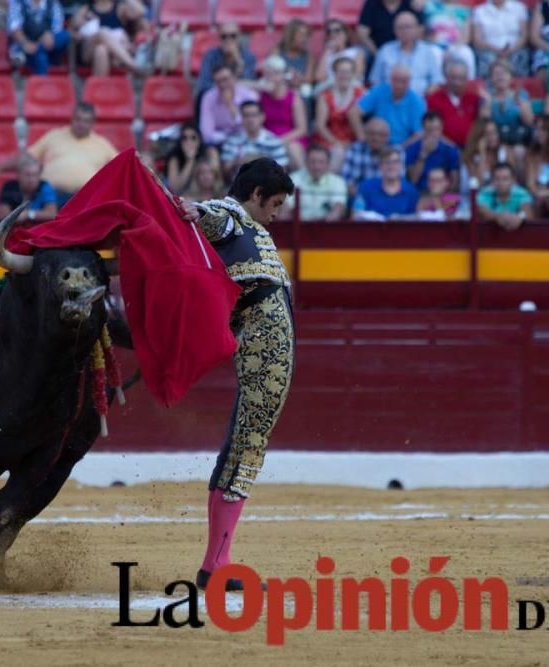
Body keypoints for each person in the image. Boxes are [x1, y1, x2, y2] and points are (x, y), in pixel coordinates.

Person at [175, 158, 296, 592]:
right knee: (245, 449)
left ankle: (216, 562)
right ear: (257, 195)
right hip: (262, 350)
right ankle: (216, 565)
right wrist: (196, 212)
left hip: (267, 349)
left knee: (243, 446)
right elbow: (213, 217)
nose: (277, 212)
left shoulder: (251, 226)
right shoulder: (233, 215)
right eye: (275, 203)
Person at [0, 103, 118, 205]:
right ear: (72, 119)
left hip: (87, 198)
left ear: (92, 123)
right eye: (78, 119)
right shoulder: (54, 136)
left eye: (86, 121)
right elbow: (27, 157)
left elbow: (120, 166)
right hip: (52, 197)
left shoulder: (102, 143)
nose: (81, 124)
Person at [369, 11, 444, 96]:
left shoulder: (428, 52)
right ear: (394, 30)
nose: (405, 31)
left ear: (417, 29)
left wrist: (425, 98)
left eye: (408, 27)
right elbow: (374, 81)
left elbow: (437, 81)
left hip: (420, 103)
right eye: (400, 27)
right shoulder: (385, 51)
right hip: (389, 102)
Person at [351, 64, 427, 147]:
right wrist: (362, 137)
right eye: (395, 80)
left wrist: (399, 149)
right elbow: (353, 112)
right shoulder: (380, 91)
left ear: (409, 82)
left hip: (400, 146)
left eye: (403, 81)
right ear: (390, 79)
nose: (399, 85)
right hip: (374, 143)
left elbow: (419, 134)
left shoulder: (417, 102)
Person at [313, 56, 365, 174]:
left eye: (348, 72)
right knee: (338, 152)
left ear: (353, 74)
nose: (344, 75)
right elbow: (320, 126)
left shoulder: (361, 94)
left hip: (353, 140)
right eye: (341, 71)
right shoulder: (325, 95)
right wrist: (336, 142)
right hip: (329, 138)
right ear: (334, 73)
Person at [69, 0, 147, 76]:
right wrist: (80, 31)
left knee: (101, 50)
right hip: (88, 51)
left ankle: (99, 88)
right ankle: (134, 66)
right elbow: (70, 31)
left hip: (113, 55)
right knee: (102, 32)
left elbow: (140, 11)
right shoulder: (86, 9)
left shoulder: (119, 9)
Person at [259, 56, 309, 171]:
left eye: (274, 74)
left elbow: (302, 129)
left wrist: (280, 140)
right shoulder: (261, 95)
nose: (271, 78)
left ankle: (302, 180)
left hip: (291, 137)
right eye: (268, 75)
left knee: (292, 148)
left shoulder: (294, 97)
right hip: (267, 138)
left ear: (282, 75)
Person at [425, 59, 485, 147]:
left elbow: (482, 123)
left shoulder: (474, 97)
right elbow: (429, 127)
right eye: (453, 77)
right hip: (443, 149)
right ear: (446, 77)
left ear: (467, 79)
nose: (457, 83)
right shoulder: (434, 98)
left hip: (471, 149)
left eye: (461, 78)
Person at [220, 101, 290, 177]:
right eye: (246, 115)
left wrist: (260, 162)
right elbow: (224, 172)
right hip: (238, 186)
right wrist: (238, 162)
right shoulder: (232, 141)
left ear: (262, 117)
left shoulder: (274, 142)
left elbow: (283, 172)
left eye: (254, 115)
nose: (250, 119)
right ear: (241, 118)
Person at [199, 64, 260, 146]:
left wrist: (230, 105)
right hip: (220, 143)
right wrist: (229, 139)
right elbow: (206, 133)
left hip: (246, 141)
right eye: (218, 81)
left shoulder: (249, 96)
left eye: (225, 79)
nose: (223, 85)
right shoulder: (208, 98)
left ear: (234, 78)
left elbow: (252, 126)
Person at [485, 60, 534, 157]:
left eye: (504, 73)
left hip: (518, 140)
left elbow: (529, 121)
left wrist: (520, 102)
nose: (500, 76)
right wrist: (488, 102)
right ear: (491, 78)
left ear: (511, 77)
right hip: (494, 142)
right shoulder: (487, 98)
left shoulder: (521, 95)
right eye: (496, 73)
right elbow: (483, 122)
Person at [412, 0, 476, 75]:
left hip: (456, 46)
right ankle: (438, 83)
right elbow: (416, 4)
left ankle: (470, 82)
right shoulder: (429, 7)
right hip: (433, 44)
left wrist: (452, 49)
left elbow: (466, 38)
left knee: (466, 53)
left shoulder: (464, 10)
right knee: (435, 53)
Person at [6, 0, 69, 74]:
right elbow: (14, 27)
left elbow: (57, 28)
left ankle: (37, 48)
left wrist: (50, 35)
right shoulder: (18, 2)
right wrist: (25, 43)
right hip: (26, 44)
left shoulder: (53, 3)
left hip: (48, 47)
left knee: (65, 36)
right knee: (40, 57)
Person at [471, 0, 531, 78]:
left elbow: (524, 36)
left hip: (514, 48)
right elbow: (477, 40)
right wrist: (496, 50)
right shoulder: (479, 11)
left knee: (520, 56)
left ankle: (519, 87)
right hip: (489, 50)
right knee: (488, 58)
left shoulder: (519, 8)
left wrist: (511, 49)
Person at [354, 148, 419, 219]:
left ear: (401, 165)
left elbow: (414, 220)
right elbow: (355, 215)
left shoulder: (411, 191)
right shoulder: (365, 187)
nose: (391, 166)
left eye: (395, 162)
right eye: (387, 162)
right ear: (380, 166)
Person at [195, 23, 257, 96]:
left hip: (239, 95)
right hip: (215, 94)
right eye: (224, 36)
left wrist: (237, 59)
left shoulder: (248, 56)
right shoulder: (210, 55)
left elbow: (248, 81)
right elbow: (204, 83)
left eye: (233, 36)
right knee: (201, 95)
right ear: (219, 38)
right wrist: (224, 88)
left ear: (239, 37)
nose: (228, 40)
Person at [289, 145, 348, 221]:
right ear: (305, 162)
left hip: (326, 228)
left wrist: (326, 224)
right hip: (298, 227)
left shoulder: (338, 181)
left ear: (328, 164)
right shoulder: (293, 178)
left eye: (321, 162)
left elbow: (338, 207)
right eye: (312, 161)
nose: (317, 166)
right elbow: (285, 208)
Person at [405, 111, 460, 191]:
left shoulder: (450, 150)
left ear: (442, 128)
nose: (433, 134)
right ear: (423, 130)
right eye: (429, 130)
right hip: (419, 193)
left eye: (436, 129)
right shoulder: (412, 149)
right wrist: (423, 154)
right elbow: (413, 180)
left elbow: (454, 183)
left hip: (443, 194)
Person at [165, 123, 222, 196]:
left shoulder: (210, 152)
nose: (189, 142)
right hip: (184, 197)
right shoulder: (174, 157)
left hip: (206, 195)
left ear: (200, 140)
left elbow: (216, 180)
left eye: (193, 138)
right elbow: (175, 188)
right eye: (184, 138)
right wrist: (190, 160)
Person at [0, 156, 58, 223]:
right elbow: (3, 214)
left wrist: (28, 214)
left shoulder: (45, 187)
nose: (31, 179)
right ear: (19, 175)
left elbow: (52, 213)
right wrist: (17, 217)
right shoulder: (9, 187)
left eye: (35, 175)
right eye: (27, 175)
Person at [341, 117, 396, 192]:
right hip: (359, 196)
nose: (376, 138)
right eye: (372, 134)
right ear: (365, 134)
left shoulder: (396, 151)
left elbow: (398, 181)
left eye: (381, 134)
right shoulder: (354, 149)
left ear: (388, 136)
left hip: (387, 197)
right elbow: (346, 180)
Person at [312, 19, 367, 92]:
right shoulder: (327, 54)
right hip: (330, 89)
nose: (332, 34)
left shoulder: (356, 52)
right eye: (329, 32)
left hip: (350, 87)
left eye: (337, 30)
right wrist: (328, 50)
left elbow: (358, 75)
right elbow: (319, 77)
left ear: (345, 34)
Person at [476, 162, 533, 230]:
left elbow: (527, 210)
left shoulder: (521, 193)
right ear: (492, 180)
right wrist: (497, 217)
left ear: (513, 180)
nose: (501, 183)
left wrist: (520, 217)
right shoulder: (485, 193)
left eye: (505, 179)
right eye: (497, 178)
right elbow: (481, 210)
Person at [463, 118, 509, 185]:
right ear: (480, 137)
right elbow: (479, 183)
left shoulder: (505, 151)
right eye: (488, 133)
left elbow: (511, 180)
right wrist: (482, 153)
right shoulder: (471, 158)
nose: (493, 136)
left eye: (495, 132)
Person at [270, 19, 314, 87]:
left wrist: (299, 77)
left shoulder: (308, 56)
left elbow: (309, 80)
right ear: (290, 36)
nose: (305, 39)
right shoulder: (276, 51)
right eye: (301, 35)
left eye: (306, 35)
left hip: (299, 90)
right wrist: (287, 75)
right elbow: (270, 74)